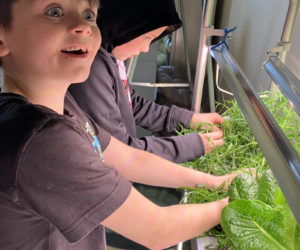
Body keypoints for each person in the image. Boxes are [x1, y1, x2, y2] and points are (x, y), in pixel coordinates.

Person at [0, 0, 239, 249]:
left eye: (89, 15)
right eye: (54, 12)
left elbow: (131, 160)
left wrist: (216, 183)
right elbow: (158, 229)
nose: (83, 26)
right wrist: (233, 203)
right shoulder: (42, 140)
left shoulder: (63, 107)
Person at [69, 0, 225, 165]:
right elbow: (121, 152)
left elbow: (132, 104)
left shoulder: (111, 57)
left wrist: (191, 119)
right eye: (147, 37)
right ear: (124, 25)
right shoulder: (92, 71)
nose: (145, 48)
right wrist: (193, 146)